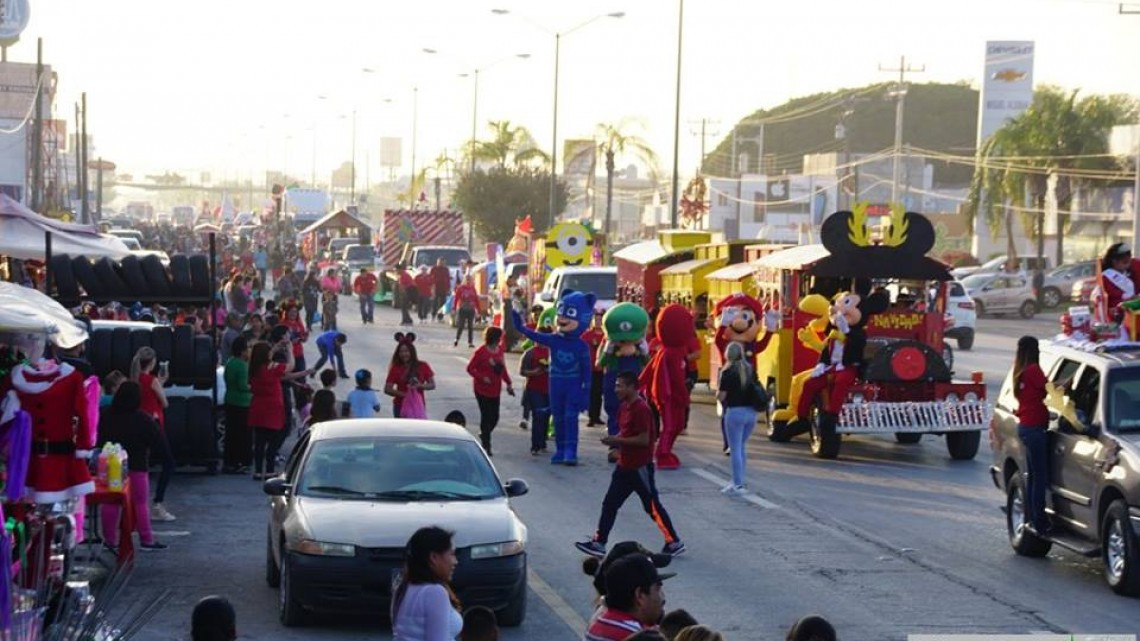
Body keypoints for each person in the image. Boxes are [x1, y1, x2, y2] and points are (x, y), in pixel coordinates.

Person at [576, 371, 685, 559]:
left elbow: (644, 439)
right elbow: (626, 433)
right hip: (624, 466)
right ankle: (599, 543)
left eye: (620, 386)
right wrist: (615, 442)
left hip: (639, 467)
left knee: (652, 507)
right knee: (610, 504)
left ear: (632, 387)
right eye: (616, 385)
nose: (616, 389)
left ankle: (673, 541)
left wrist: (619, 441)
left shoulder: (641, 409)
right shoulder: (624, 407)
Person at [98, 381, 175, 551]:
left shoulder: (105, 414)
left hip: (111, 464)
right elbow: (159, 443)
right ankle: (146, 539)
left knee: (110, 502)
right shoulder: (143, 419)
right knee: (140, 503)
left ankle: (109, 540)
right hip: (137, 465)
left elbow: (97, 437)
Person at [248, 340, 311, 479]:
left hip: (258, 407)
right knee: (273, 441)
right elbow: (290, 366)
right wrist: (290, 350)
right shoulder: (272, 367)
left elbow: (283, 375)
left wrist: (275, 347)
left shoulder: (254, 368)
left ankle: (258, 471)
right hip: (272, 408)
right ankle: (269, 470)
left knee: (259, 441)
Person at [391, 526, 463, 641]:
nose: (455, 561)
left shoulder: (403, 587)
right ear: (434, 557)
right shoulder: (435, 592)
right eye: (452, 554)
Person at [130, 346, 176, 522]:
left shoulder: (135, 380)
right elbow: (164, 403)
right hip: (153, 423)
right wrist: (160, 384)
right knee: (168, 462)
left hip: (138, 424)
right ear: (152, 362)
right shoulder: (151, 380)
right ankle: (158, 503)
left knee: (141, 464)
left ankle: (137, 504)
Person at [583, 554, 673, 641]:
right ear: (640, 595)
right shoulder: (636, 635)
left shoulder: (599, 620)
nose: (662, 597)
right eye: (658, 589)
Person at [1013, 335, 1051, 535]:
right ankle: (1040, 521)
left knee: (1033, 477)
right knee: (1039, 478)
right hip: (1035, 429)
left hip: (1026, 427)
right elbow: (1051, 389)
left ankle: (1031, 517)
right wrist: (1068, 383)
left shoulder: (1020, 371)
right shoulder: (1033, 370)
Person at [465, 327, 515, 455]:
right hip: (481, 389)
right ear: (494, 338)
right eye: (499, 337)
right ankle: (486, 445)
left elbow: (502, 369)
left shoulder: (499, 351)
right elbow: (470, 368)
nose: (500, 340)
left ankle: (484, 433)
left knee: (495, 417)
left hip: (495, 389)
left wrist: (508, 383)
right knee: (486, 415)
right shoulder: (481, 352)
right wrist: (482, 377)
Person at [717, 341, 758, 495]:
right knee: (741, 447)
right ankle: (739, 481)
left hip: (735, 413)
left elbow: (721, 396)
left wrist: (718, 394)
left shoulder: (727, 372)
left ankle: (737, 484)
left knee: (735, 449)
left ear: (727, 355)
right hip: (751, 413)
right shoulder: (750, 370)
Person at [385, 336, 436, 418]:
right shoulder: (395, 368)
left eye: (406, 351)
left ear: (412, 352)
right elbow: (387, 389)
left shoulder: (423, 366)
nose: (403, 354)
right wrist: (405, 395)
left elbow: (432, 385)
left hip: (418, 406)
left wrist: (419, 386)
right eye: (401, 352)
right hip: (400, 407)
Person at [223, 337, 253, 475]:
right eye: (247, 348)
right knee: (243, 435)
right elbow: (243, 386)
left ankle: (229, 462)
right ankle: (241, 462)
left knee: (231, 433)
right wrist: (253, 387)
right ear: (242, 351)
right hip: (242, 403)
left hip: (230, 400)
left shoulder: (230, 362)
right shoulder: (242, 365)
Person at [519, 329, 551, 455]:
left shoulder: (552, 352)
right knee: (538, 416)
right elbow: (522, 371)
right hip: (534, 389)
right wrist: (534, 372)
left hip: (549, 389)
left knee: (546, 416)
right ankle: (535, 445)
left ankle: (542, 441)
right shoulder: (530, 353)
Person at [582, 313, 606, 427]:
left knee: (600, 393)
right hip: (590, 368)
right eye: (596, 320)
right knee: (592, 393)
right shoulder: (587, 335)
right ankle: (591, 417)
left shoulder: (606, 335)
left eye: (600, 320)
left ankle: (597, 416)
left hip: (602, 368)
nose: (598, 322)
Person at [453, 276, 480, 347]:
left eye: (470, 280)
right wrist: (454, 308)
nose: (468, 282)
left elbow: (476, 299)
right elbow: (456, 298)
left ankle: (470, 342)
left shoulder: (473, 289)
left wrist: (478, 310)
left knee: (470, 326)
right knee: (461, 325)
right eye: (467, 280)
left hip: (471, 309)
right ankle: (457, 339)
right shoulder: (460, 288)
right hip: (462, 309)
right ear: (464, 281)